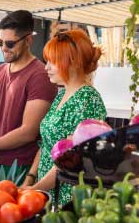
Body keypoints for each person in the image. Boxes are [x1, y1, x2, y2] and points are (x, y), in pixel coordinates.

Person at [22, 29, 107, 205]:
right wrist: (30, 179)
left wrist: (37, 188)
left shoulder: (87, 99)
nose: (46, 67)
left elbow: (71, 158)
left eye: (52, 62)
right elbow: (46, 144)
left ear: (73, 62)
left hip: (68, 196)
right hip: (47, 190)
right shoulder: (62, 94)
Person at [0, 10, 57, 180]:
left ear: (28, 40)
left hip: (19, 168)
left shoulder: (40, 76)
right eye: (0, 42)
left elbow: (28, 131)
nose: (3, 48)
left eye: (10, 44)